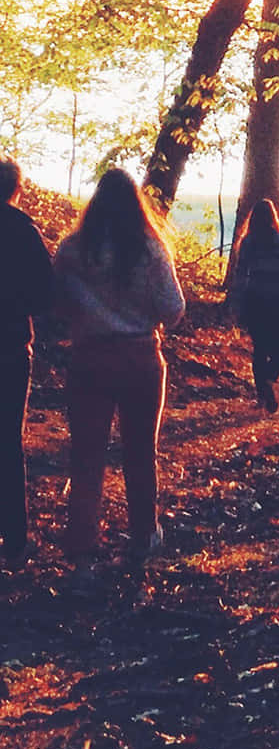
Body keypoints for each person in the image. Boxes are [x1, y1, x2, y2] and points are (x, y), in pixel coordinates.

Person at [52, 168, 184, 585]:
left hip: (89, 359)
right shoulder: (149, 248)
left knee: (87, 456)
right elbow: (173, 307)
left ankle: (83, 556)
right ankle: (143, 537)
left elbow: (55, 304)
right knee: (140, 453)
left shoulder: (72, 250)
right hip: (140, 358)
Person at [0, 159, 53, 567]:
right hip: (10, 347)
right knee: (7, 441)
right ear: (16, 189)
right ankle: (14, 540)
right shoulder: (24, 232)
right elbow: (44, 297)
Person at [231, 198, 279, 413]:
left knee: (259, 347)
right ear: (273, 216)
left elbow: (240, 273)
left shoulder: (248, 242)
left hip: (255, 296)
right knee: (278, 348)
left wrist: (238, 302)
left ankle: (263, 393)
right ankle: (270, 379)